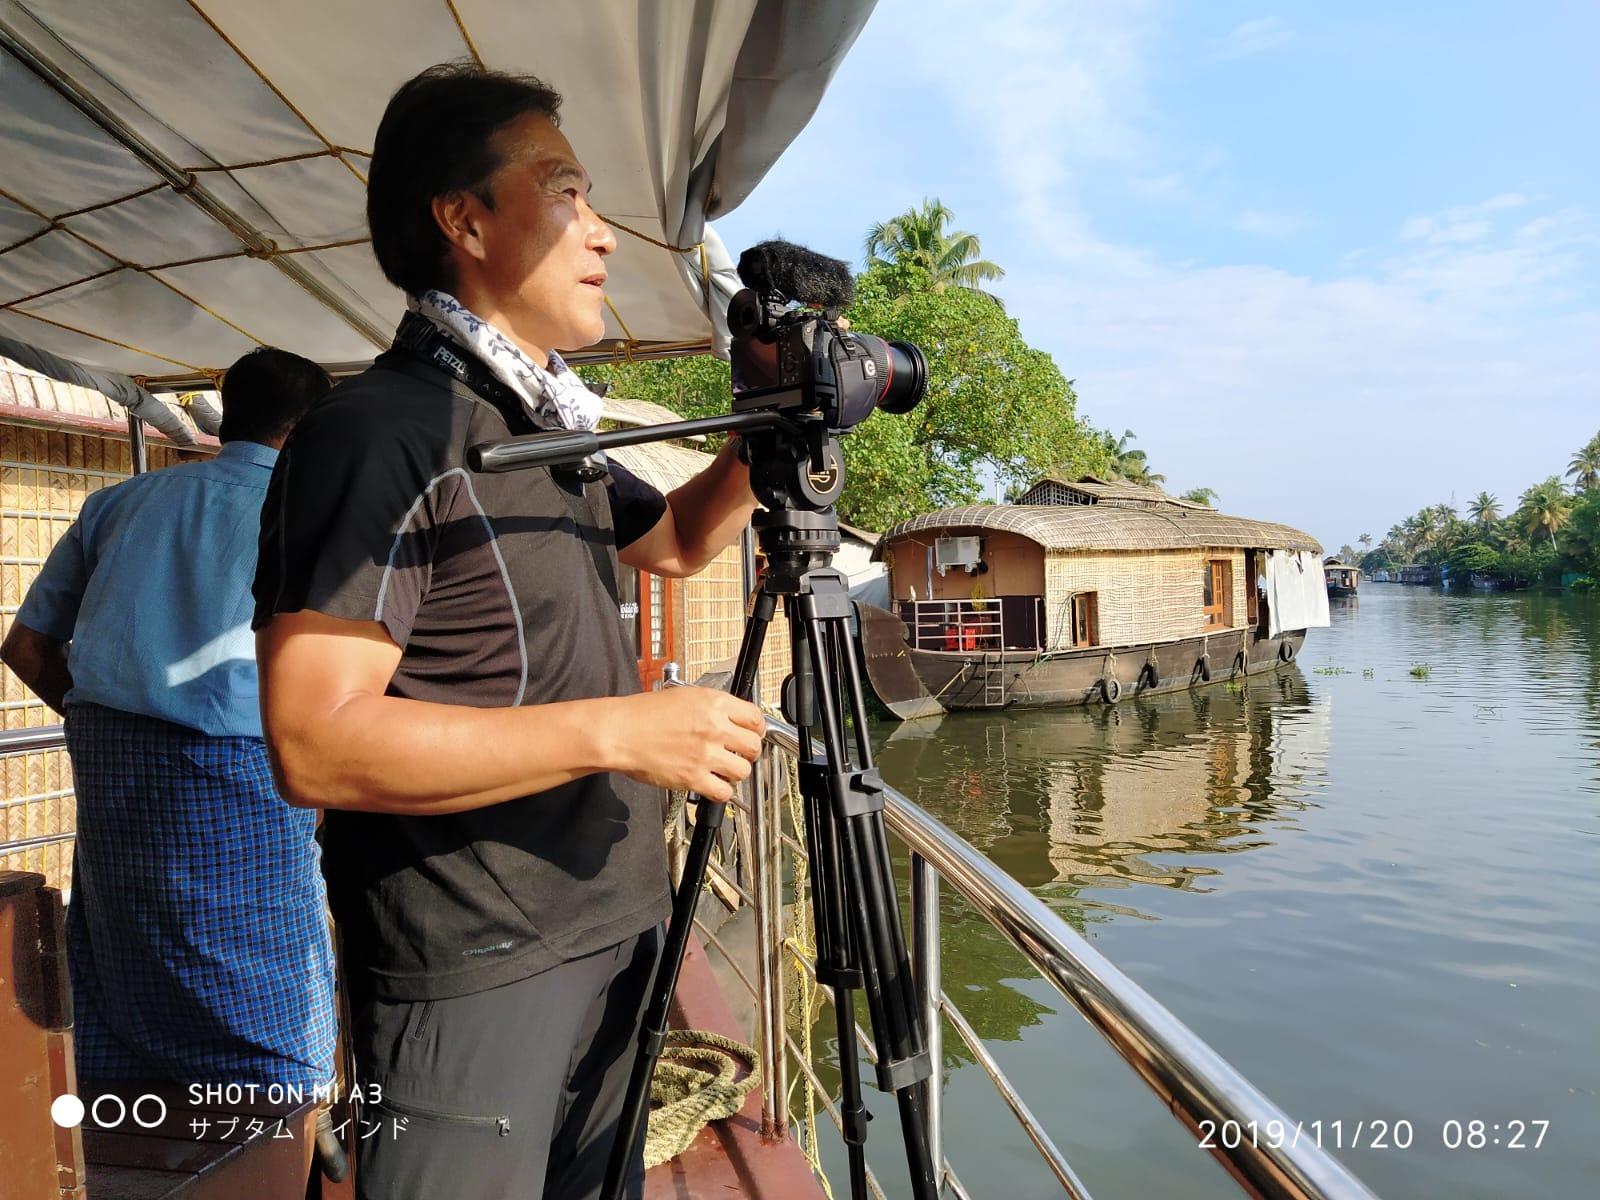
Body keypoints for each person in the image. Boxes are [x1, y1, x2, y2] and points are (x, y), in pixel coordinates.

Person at [251, 64, 766, 1200]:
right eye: (567, 193)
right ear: (465, 220)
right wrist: (618, 732)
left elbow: (679, 541)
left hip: (615, 922)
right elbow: (314, 744)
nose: (604, 234)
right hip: (473, 961)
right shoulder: (376, 434)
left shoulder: (542, 426)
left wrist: (770, 427)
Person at [1, 347, 337, 1096]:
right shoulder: (312, 516)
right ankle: (280, 1129)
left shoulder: (119, 503)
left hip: (112, 766)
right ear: (308, 431)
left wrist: (114, 720)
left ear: (231, 417)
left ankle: (128, 1123)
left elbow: (25, 647)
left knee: (125, 962)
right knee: (265, 986)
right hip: (244, 777)